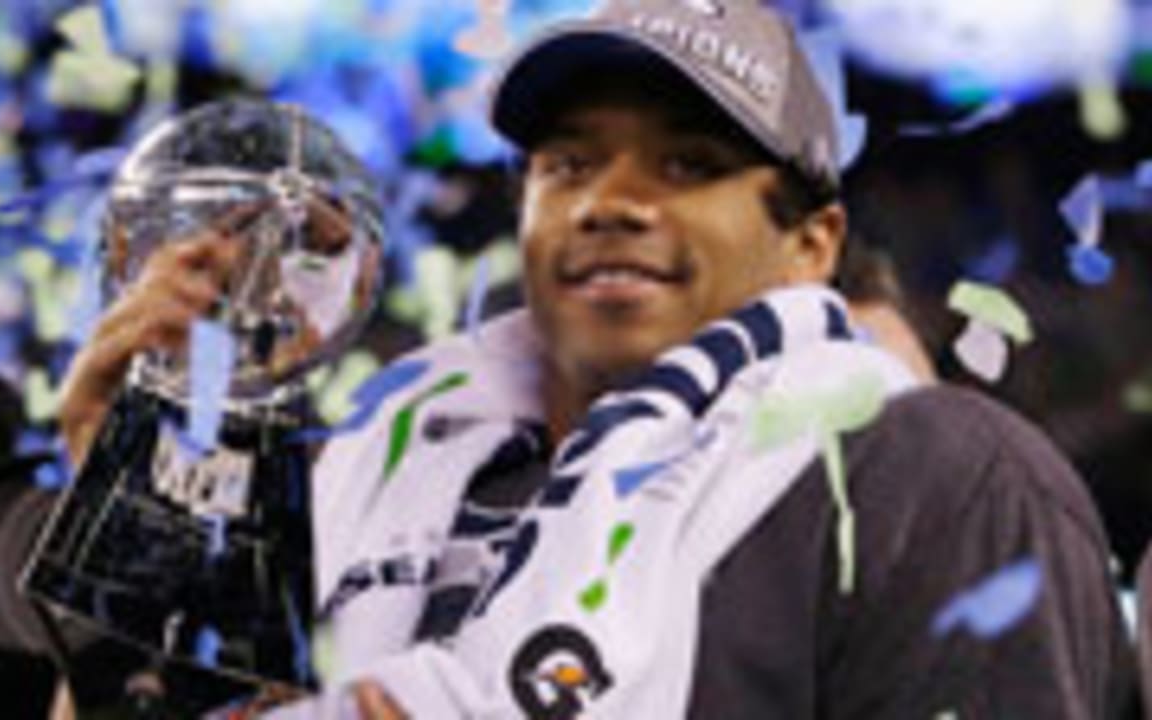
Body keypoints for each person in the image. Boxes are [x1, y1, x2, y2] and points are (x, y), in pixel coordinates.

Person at [60, 0, 1135, 717]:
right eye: (567, 161)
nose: (611, 202)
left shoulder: (931, 473)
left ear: (811, 244)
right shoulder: (366, 472)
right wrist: (135, 511)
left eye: (687, 163)